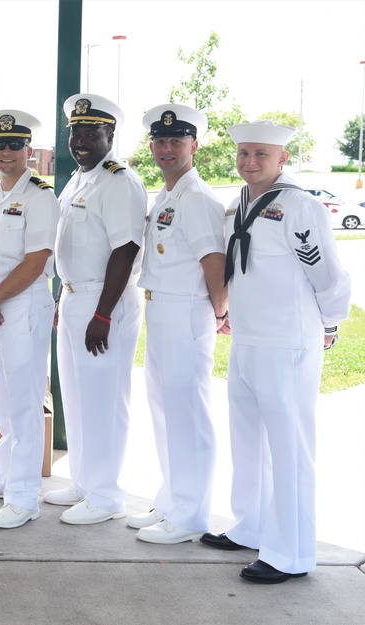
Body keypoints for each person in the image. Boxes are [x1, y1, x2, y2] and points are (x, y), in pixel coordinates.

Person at [200, 120, 351, 584]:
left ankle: (291, 553)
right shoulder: (237, 204)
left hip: (287, 341)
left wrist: (329, 323)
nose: (250, 162)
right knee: (248, 441)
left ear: (283, 159)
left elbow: (328, 274)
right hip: (248, 339)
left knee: (288, 449)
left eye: (261, 154)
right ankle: (251, 526)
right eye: (244, 153)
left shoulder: (299, 207)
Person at [46, 93, 147, 525]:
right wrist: (62, 299)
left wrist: (102, 314)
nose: (82, 140)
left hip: (103, 301)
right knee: (78, 396)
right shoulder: (80, 178)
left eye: (93, 132)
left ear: (111, 135)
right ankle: (85, 481)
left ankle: (106, 495)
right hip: (74, 296)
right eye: (76, 132)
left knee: (103, 398)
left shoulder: (118, 180)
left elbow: (125, 249)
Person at [132, 104, 227, 544]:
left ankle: (191, 516)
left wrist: (221, 313)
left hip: (187, 311)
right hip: (162, 308)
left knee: (187, 413)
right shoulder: (168, 194)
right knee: (166, 410)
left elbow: (214, 264)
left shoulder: (198, 198)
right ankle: (173, 499)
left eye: (177, 141)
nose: (167, 149)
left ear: (195, 145)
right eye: (160, 141)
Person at [0, 110, 60, 529]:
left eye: (15, 145)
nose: (7, 152)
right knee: (1, 396)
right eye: (0, 145)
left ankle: (24, 496)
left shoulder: (40, 196)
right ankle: (4, 474)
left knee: (23, 400)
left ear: (29, 151)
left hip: (24, 303)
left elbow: (37, 261)